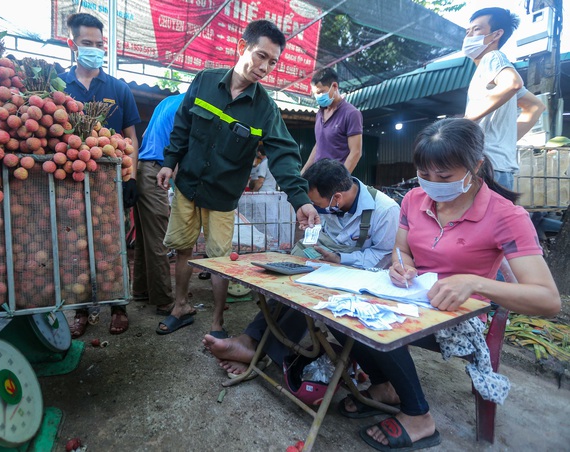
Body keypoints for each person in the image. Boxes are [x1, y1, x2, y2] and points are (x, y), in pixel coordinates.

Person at [341, 118, 560, 451]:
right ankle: (384, 386)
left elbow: (547, 300)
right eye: (424, 175)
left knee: (379, 324)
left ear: (477, 167)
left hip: (462, 316)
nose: (432, 184)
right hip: (414, 299)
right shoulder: (414, 200)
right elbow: (402, 250)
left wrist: (474, 283)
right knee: (339, 311)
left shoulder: (506, 216)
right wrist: (403, 266)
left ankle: (419, 418)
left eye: (443, 177)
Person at [155, 20, 320, 337]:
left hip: (222, 198)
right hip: (188, 185)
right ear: (240, 48)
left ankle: (217, 322)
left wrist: (300, 199)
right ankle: (181, 306)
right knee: (183, 248)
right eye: (261, 56)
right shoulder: (204, 81)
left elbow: (284, 155)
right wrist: (169, 162)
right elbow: (182, 126)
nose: (265, 67)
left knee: (220, 260)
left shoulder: (265, 110)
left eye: (272, 62)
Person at [203, 159, 400, 375]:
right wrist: (309, 230)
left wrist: (340, 259)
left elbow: (384, 256)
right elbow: (316, 235)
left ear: (337, 198)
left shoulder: (386, 210)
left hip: (358, 274)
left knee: (309, 298)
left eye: (317, 204)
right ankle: (250, 339)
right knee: (287, 285)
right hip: (323, 261)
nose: (314, 208)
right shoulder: (329, 202)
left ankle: (259, 351)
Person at [59, 12, 142, 337]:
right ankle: (81, 310)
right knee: (76, 246)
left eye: (98, 44)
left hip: (110, 185)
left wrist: (131, 175)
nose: (94, 49)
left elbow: (130, 136)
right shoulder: (60, 88)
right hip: (73, 182)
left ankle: (118, 306)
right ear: (72, 44)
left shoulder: (119, 89)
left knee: (114, 245)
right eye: (86, 43)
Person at [463, 7, 546, 190]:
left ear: (496, 34)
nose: (469, 36)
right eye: (467, 31)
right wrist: (506, 141)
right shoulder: (488, 72)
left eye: (476, 29)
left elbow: (512, 84)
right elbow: (535, 107)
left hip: (485, 167)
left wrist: (468, 120)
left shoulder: (492, 58)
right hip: (499, 167)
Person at [132, 93, 184, 316]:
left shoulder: (167, 101)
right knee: (159, 240)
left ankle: (141, 290)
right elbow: (183, 146)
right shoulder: (191, 105)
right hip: (156, 171)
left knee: (145, 238)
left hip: (142, 168)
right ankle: (164, 300)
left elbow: (145, 134)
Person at [301, 68, 363, 174]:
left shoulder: (351, 113)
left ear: (334, 86)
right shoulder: (319, 114)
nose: (318, 97)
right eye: (315, 94)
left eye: (321, 92)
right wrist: (303, 173)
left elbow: (356, 152)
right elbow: (319, 146)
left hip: (335, 181)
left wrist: (340, 181)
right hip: (318, 178)